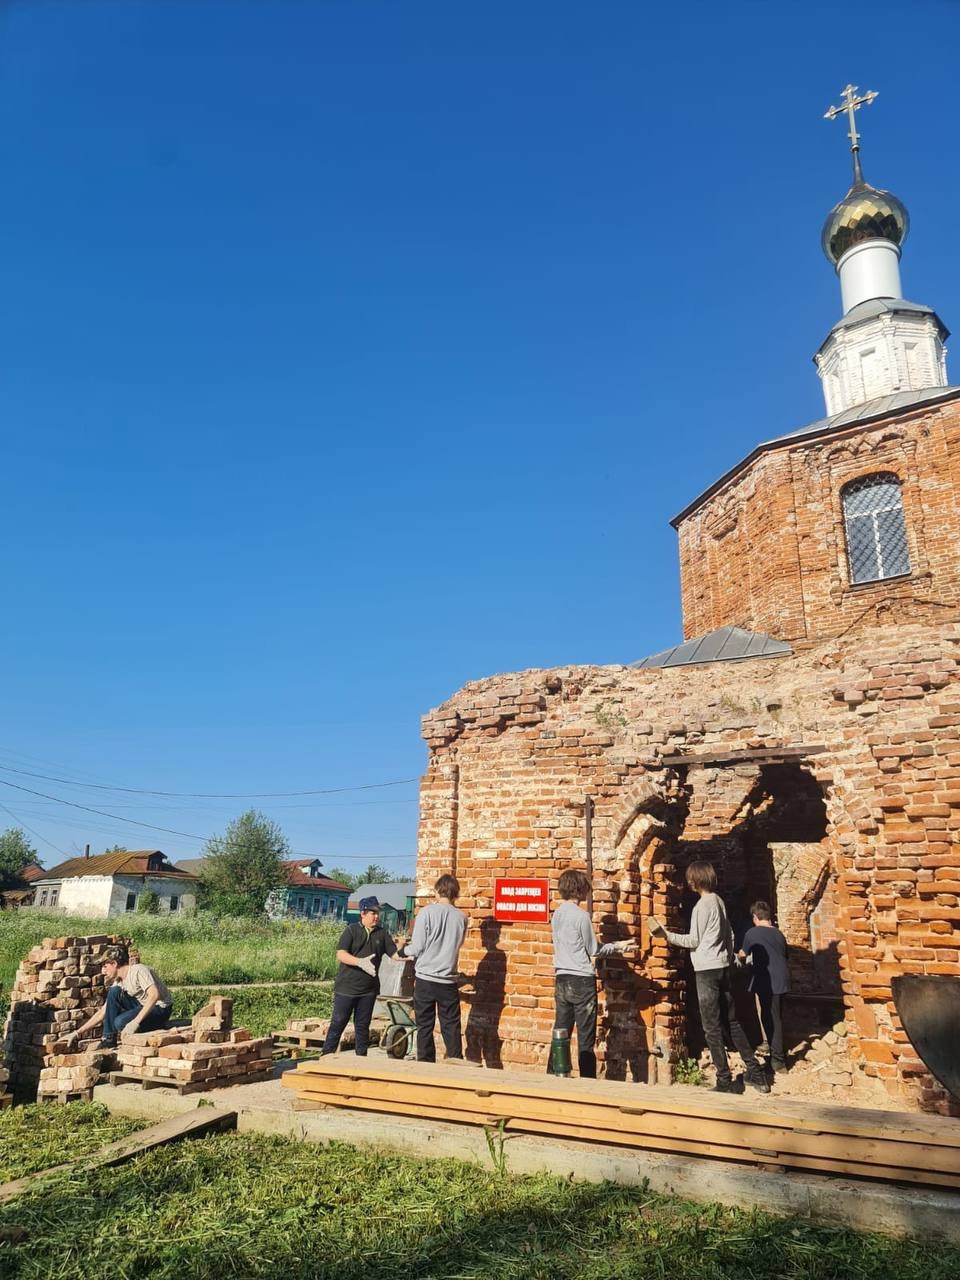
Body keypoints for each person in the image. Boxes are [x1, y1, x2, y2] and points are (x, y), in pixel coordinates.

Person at [650, 861, 769, 1094]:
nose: (688, 882)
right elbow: (730, 935)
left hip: (706, 970)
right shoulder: (719, 901)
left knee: (711, 1027)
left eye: (690, 878)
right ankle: (756, 1074)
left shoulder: (701, 906)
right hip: (722, 967)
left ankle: (724, 1081)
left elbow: (693, 941)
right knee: (732, 1022)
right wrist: (729, 959)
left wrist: (667, 935)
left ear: (695, 880)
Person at [551, 868, 635, 1078]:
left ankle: (554, 1075)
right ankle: (587, 1080)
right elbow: (594, 950)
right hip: (581, 980)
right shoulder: (582, 916)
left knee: (561, 1032)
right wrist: (619, 946)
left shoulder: (557, 914)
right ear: (579, 889)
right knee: (585, 1037)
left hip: (561, 978)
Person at [322, 896, 403, 1057]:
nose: (376, 916)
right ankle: (326, 1056)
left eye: (378, 913)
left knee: (362, 1026)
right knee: (338, 1023)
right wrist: (359, 962)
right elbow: (341, 954)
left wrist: (406, 950)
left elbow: (394, 954)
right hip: (346, 988)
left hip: (368, 990)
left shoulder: (382, 934)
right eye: (373, 913)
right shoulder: (351, 930)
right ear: (363, 914)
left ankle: (361, 1059)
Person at [400, 874, 468, 1062]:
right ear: (455, 893)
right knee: (451, 1026)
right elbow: (458, 944)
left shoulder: (427, 913)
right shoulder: (462, 918)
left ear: (438, 891)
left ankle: (425, 1065)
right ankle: (456, 1062)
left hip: (426, 979)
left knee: (424, 1026)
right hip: (448, 981)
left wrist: (402, 951)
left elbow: (418, 946)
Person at [69, 944, 172, 1049]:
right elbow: (104, 1011)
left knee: (120, 1022)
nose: (103, 971)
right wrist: (77, 1033)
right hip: (143, 1005)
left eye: (105, 966)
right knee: (114, 992)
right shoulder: (119, 981)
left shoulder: (138, 970)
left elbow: (154, 995)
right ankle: (108, 1039)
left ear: (114, 963)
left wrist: (135, 1022)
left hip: (160, 1009)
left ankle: (157, 1025)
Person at [739, 900, 790, 1073]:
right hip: (782, 980)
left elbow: (744, 954)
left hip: (766, 981)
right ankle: (777, 1054)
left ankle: (778, 1061)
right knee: (777, 1017)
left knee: (770, 1019)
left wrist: (739, 957)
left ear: (755, 917)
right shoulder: (779, 934)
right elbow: (785, 955)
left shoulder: (752, 933)